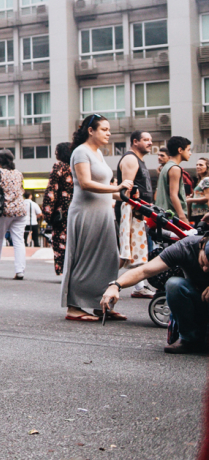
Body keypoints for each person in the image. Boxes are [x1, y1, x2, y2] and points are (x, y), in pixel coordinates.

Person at [62, 115, 133, 322]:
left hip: (103, 212)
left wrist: (123, 195)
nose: (108, 133)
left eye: (109, 129)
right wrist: (116, 187)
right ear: (90, 130)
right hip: (86, 212)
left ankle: (101, 304)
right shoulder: (81, 151)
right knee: (84, 259)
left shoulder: (98, 153)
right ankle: (74, 307)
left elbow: (106, 190)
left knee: (109, 258)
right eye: (104, 129)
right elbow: (85, 183)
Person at [101, 234, 209, 354]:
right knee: (174, 284)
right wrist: (115, 285)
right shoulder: (185, 247)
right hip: (197, 299)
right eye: (204, 263)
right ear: (202, 245)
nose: (205, 269)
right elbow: (144, 271)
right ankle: (189, 339)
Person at [115, 130, 155, 298]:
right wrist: (135, 207)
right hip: (131, 211)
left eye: (151, 140)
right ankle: (100, 280)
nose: (150, 142)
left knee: (135, 251)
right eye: (146, 140)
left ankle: (139, 286)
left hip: (139, 211)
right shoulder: (131, 159)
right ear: (135, 142)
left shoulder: (139, 159)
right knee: (126, 253)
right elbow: (126, 191)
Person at [0, 149, 27, 280]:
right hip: (20, 210)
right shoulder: (18, 173)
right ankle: (20, 271)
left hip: (3, 210)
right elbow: (22, 190)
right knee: (19, 241)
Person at [42, 142, 74, 275]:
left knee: (61, 240)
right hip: (78, 207)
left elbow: (52, 191)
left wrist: (48, 213)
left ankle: (63, 269)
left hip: (62, 210)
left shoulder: (59, 166)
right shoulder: (77, 166)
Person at [156, 136, 192, 225]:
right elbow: (173, 195)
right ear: (180, 150)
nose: (190, 153)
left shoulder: (166, 167)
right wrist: (182, 217)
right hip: (172, 218)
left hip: (164, 215)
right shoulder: (175, 168)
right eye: (188, 150)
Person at [188, 157, 209, 223]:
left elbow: (207, 198)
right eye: (197, 165)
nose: (198, 166)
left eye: (201, 165)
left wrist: (190, 200)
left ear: (207, 167)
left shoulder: (206, 180)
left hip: (203, 214)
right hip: (198, 214)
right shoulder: (201, 180)